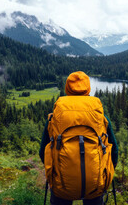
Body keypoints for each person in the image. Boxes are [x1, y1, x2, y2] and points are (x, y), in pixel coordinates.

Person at [39, 71, 118, 205]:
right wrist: (105, 172)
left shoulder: (54, 118)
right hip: (95, 183)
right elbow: (114, 152)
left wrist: (54, 173)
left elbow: (43, 152)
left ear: (67, 89)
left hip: (61, 185)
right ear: (88, 89)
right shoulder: (101, 117)